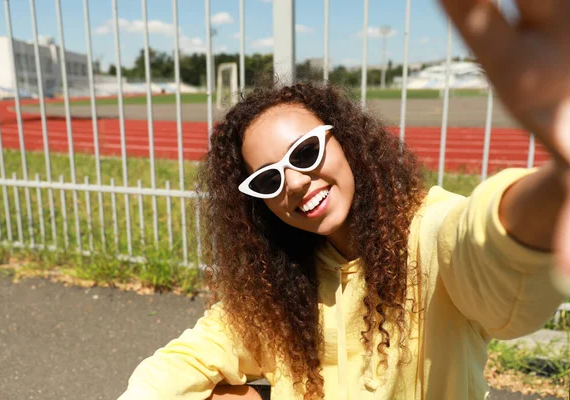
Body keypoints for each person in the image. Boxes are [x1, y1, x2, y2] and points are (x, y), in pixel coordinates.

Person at [118, 0, 570, 398]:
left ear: (346, 142)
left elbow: (482, 248)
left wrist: (559, 179)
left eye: (306, 152)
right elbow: (193, 355)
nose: (294, 183)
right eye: (268, 180)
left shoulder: (425, 234)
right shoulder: (280, 279)